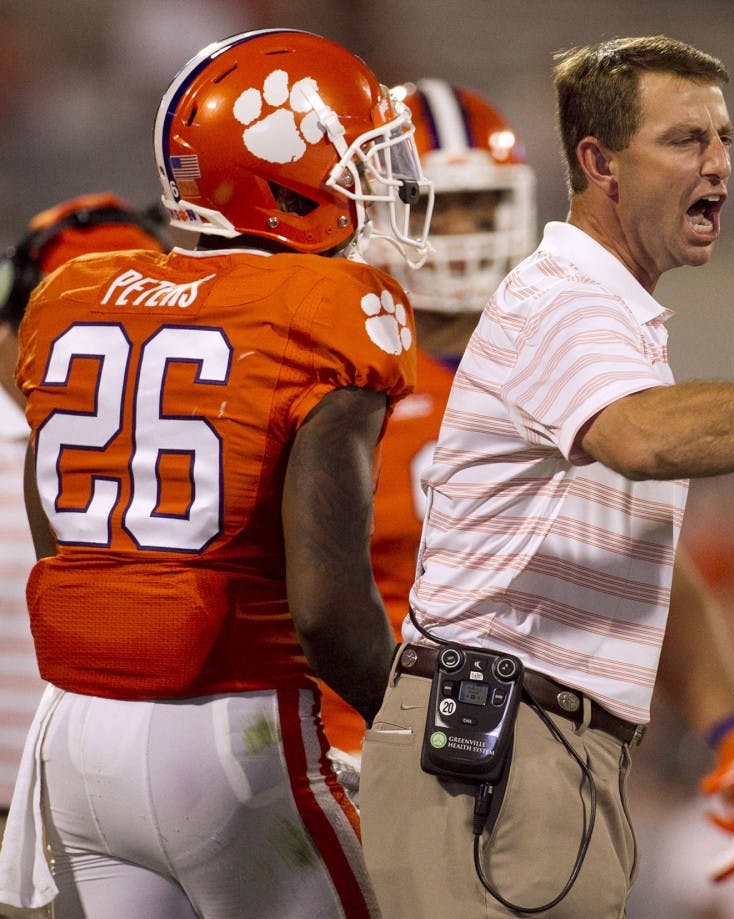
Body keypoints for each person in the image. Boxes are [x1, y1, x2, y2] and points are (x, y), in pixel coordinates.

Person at [359, 34, 734, 919]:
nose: (719, 162)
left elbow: (641, 547)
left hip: (534, 746)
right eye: (685, 140)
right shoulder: (567, 296)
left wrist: (728, 720)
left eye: (723, 138)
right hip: (493, 745)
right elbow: (641, 438)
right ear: (599, 163)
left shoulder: (615, 316)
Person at [0, 28, 433, 919]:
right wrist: (422, 722)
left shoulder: (78, 294)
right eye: (359, 162)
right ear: (286, 176)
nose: (381, 187)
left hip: (76, 737)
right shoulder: (325, 309)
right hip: (230, 735)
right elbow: (326, 608)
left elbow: (62, 533)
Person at [320, 77, 538, 757]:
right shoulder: (331, 358)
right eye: (431, 207)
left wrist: (727, 723)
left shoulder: (555, 364)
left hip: (509, 739)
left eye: (477, 209)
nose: (456, 236)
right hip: (347, 739)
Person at [0, 192, 170, 816]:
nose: (120, 341)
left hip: (150, 806)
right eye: (87, 317)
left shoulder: (202, 449)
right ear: (13, 325)